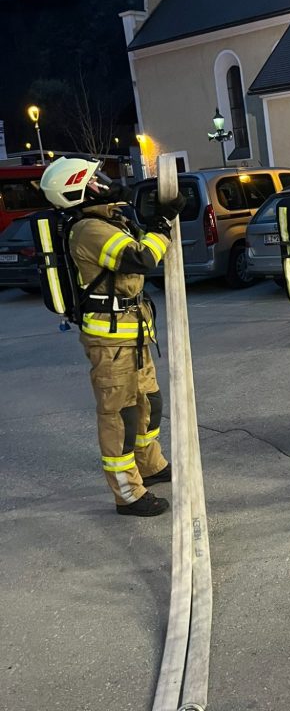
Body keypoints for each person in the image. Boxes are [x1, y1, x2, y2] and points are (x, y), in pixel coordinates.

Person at [40, 156, 185, 515]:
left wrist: (154, 219)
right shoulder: (88, 229)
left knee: (149, 403)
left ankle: (149, 465)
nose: (104, 183)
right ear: (78, 190)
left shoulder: (107, 219)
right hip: (111, 341)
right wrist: (162, 225)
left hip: (134, 333)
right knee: (120, 416)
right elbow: (140, 257)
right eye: (95, 180)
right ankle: (128, 493)